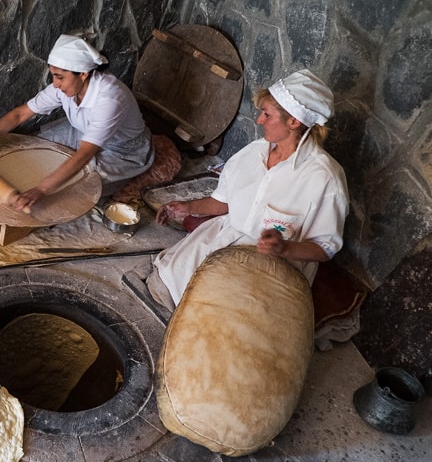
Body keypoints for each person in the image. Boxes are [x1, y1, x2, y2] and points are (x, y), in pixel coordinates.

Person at [147, 69, 349, 311]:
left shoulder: (325, 178)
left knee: (220, 312)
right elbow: (223, 202)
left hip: (274, 261)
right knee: (167, 280)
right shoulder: (255, 151)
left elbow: (325, 248)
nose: (259, 121)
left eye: (266, 114)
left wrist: (284, 248)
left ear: (293, 121)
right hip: (227, 235)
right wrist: (187, 207)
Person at [0, 34, 154, 212]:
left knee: (77, 186)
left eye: (60, 77)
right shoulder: (64, 86)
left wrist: (42, 189)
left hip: (124, 149)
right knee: (34, 147)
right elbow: (20, 115)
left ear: (83, 74)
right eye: (53, 75)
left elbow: (84, 154)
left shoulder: (110, 99)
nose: (55, 84)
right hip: (82, 131)